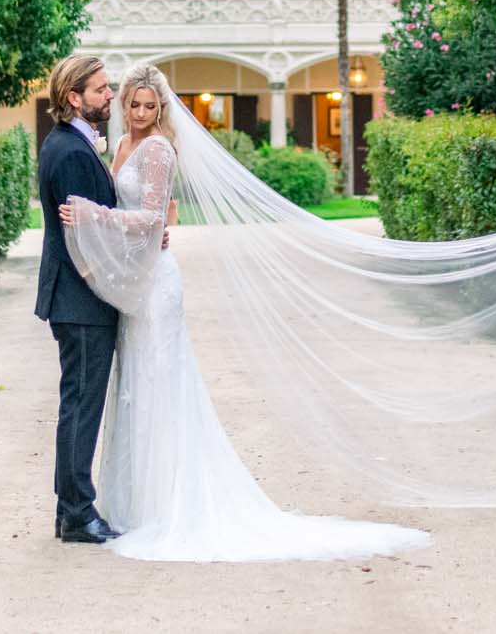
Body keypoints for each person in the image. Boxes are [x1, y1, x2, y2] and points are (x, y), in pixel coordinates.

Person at [58, 62, 429, 562]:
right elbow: (148, 218)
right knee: (134, 389)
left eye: (150, 105)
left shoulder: (160, 148)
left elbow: (151, 213)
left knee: (163, 384)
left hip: (158, 287)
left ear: (161, 108)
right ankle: (135, 503)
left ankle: (172, 504)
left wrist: (94, 215)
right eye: (133, 103)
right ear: (124, 105)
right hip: (135, 285)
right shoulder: (119, 146)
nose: (141, 112)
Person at [34, 54, 124, 544]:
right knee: (81, 405)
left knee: (79, 401)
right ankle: (77, 511)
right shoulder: (69, 152)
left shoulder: (73, 144)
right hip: (81, 300)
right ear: (75, 97)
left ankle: (70, 508)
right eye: (101, 89)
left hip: (78, 299)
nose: (110, 95)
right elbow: (84, 241)